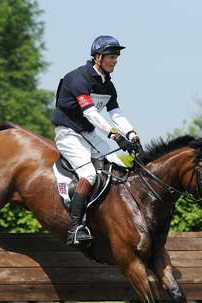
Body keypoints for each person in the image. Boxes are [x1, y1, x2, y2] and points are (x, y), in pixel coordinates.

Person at [51, 35, 142, 248]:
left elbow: (115, 112)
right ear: (98, 57)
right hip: (68, 133)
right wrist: (114, 134)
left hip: (89, 133)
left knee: (118, 166)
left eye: (116, 57)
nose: (115, 61)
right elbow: (91, 112)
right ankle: (75, 228)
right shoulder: (77, 78)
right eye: (111, 56)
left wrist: (131, 134)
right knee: (89, 174)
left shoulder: (107, 85)